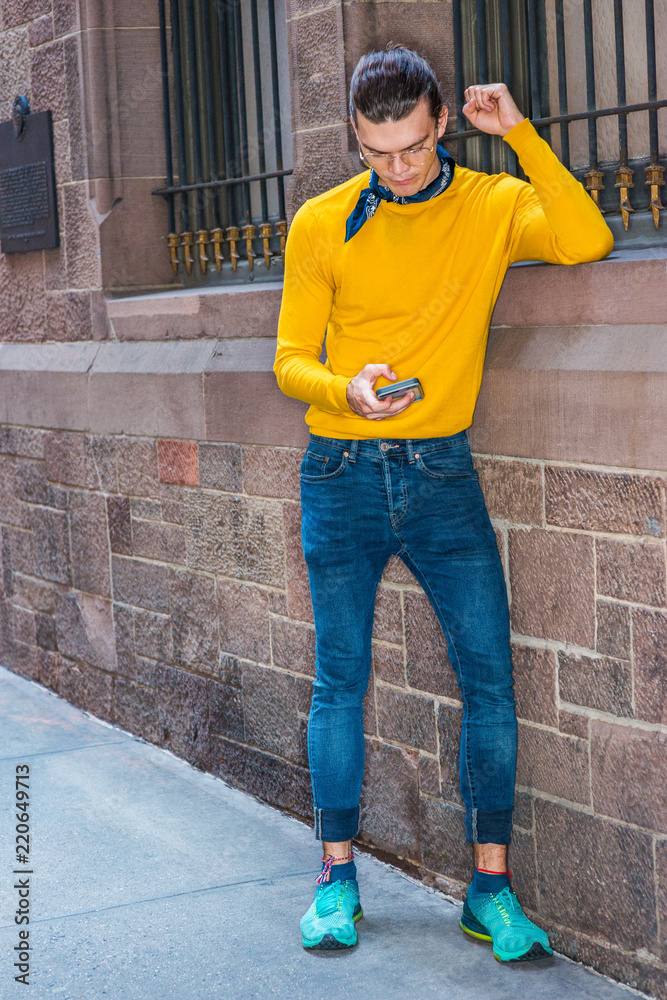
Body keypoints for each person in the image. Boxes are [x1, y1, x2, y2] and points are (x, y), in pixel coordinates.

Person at [273, 44, 613, 960]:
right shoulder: (321, 222)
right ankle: (335, 881)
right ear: (355, 133)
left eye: (414, 148)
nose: (397, 167)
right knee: (340, 679)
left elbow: (586, 238)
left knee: (489, 681)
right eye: (378, 152)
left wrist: (522, 136)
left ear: (442, 123)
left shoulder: (492, 205)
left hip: (440, 475)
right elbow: (289, 360)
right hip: (340, 474)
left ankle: (489, 891)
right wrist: (347, 389)